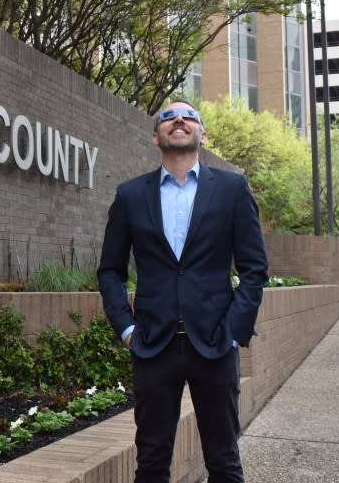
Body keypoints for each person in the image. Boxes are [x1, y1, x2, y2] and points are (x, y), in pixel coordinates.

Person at [97, 99, 268, 483]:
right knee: (152, 463)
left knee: (224, 461)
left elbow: (254, 268)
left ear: (201, 134)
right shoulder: (130, 195)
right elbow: (110, 270)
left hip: (214, 344)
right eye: (168, 117)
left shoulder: (231, 189)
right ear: (155, 136)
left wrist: (233, 331)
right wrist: (126, 329)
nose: (179, 119)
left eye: (189, 116)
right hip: (153, 346)